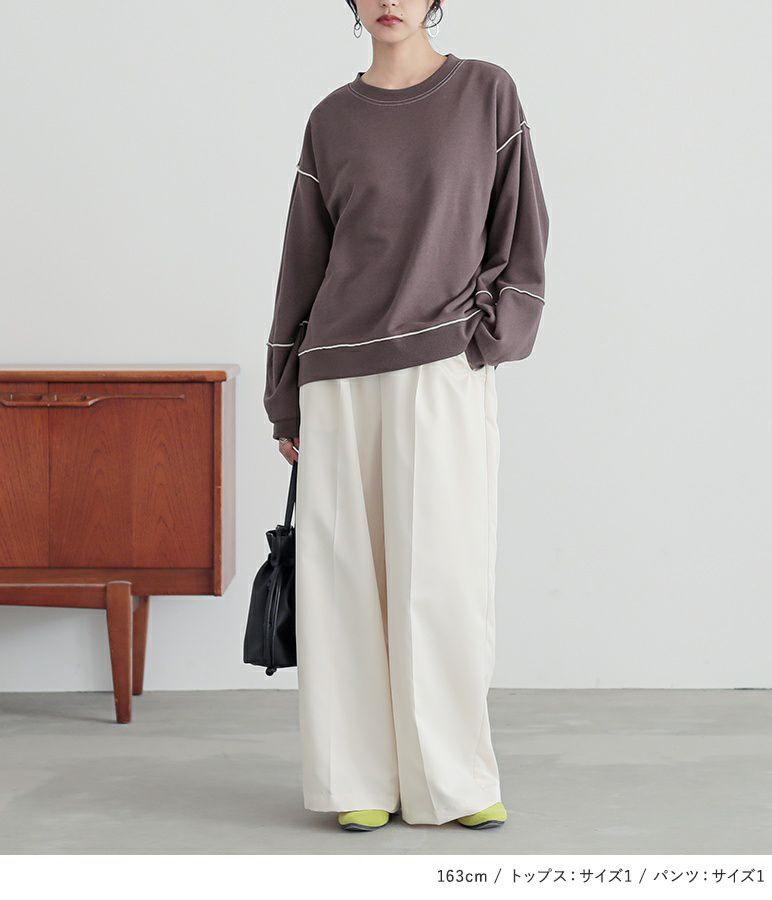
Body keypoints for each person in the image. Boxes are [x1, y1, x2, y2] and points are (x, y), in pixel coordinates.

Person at [263, 0, 549, 832]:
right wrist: (286, 391)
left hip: (443, 366)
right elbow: (303, 259)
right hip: (337, 374)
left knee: (444, 577)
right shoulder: (331, 119)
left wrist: (493, 335)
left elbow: (521, 226)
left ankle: (452, 780)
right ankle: (356, 779)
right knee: (343, 581)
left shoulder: (486, 92)